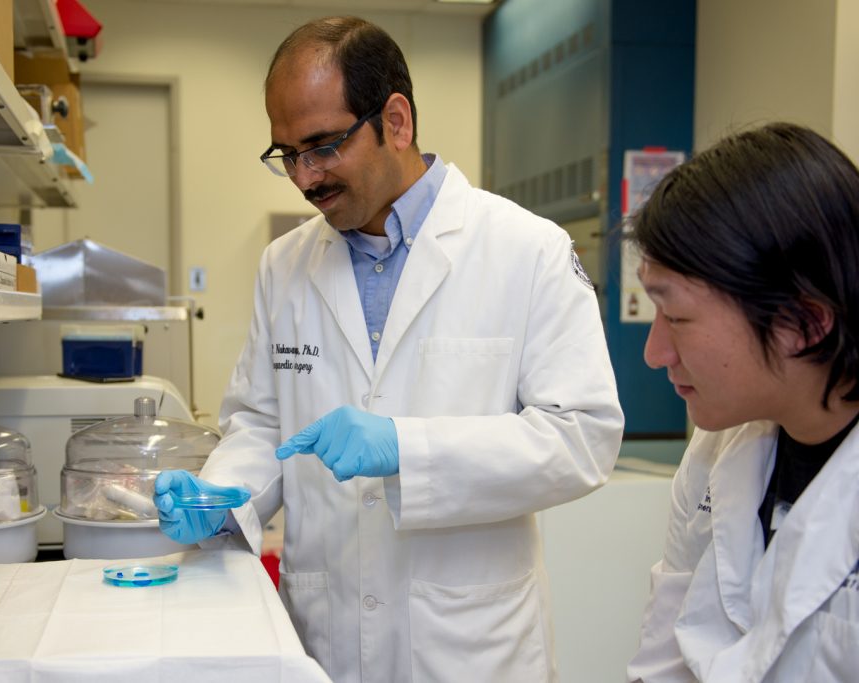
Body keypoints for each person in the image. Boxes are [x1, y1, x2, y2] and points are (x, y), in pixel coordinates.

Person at [155, 16, 624, 682]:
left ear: (396, 121)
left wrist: (409, 448)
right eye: (287, 153)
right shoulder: (283, 266)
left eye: (322, 145)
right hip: (328, 638)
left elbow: (582, 437)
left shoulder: (526, 250)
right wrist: (223, 495)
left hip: (471, 646)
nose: (304, 177)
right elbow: (262, 423)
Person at [626, 122, 859, 682]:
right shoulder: (716, 452)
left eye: (677, 316)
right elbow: (663, 661)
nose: (655, 353)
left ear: (803, 322)